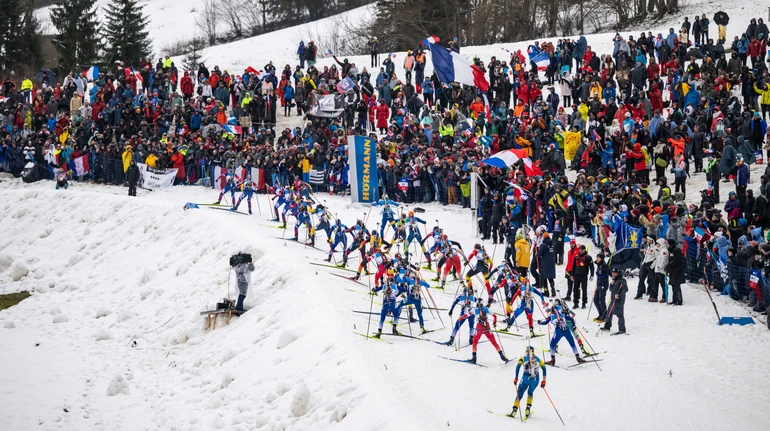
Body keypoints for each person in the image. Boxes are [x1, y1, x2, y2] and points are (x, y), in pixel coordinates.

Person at [538, 300, 586, 366]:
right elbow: (571, 319)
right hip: (567, 330)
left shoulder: (551, 316)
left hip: (558, 331)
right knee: (572, 344)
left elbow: (545, 322)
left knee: (552, 345)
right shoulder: (563, 315)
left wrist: (540, 322)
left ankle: (553, 360)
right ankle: (578, 358)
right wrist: (574, 326)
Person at [510, 346, 547, 419]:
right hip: (535, 380)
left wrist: (516, 378)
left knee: (520, 393)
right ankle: (528, 409)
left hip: (526, 378)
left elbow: (518, 366)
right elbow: (544, 368)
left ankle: (514, 410)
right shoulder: (538, 359)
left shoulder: (523, 358)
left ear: (526, 351)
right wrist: (544, 381)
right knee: (530, 392)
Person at [372, 270, 405, 338]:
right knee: (396, 315)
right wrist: (406, 289)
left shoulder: (384, 286)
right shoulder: (395, 286)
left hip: (385, 302)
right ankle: (394, 329)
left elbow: (377, 289)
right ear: (393, 281)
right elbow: (403, 290)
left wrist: (374, 290)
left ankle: (379, 332)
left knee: (382, 318)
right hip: (392, 302)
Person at [601, 267, 628, 334]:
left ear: (618, 273)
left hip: (619, 300)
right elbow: (611, 289)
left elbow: (625, 289)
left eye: (615, 273)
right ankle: (607, 326)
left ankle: (622, 329)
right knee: (609, 313)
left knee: (620, 314)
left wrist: (619, 295)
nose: (613, 274)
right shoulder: (614, 280)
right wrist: (611, 284)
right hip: (613, 299)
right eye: (612, 273)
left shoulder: (622, 281)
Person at [593, 253, 610, 322]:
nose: (597, 259)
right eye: (596, 257)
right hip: (599, 284)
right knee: (595, 300)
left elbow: (609, 272)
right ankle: (601, 314)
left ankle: (605, 315)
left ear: (602, 259)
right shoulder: (599, 265)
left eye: (599, 257)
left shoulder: (604, 265)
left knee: (601, 300)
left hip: (603, 284)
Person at [667, 239, 685, 305]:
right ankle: (674, 299)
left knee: (677, 286)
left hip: (677, 271)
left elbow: (675, 261)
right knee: (673, 286)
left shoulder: (676, 250)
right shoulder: (671, 250)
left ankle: (679, 300)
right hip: (672, 271)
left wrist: (669, 264)